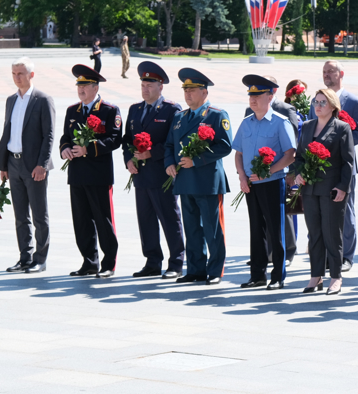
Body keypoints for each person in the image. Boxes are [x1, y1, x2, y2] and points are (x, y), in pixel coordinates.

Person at [164, 68, 232, 285]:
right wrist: (169, 164)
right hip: (185, 180)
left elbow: (225, 146)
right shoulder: (179, 117)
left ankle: (214, 270)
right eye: (185, 90)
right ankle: (195, 269)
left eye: (192, 90)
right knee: (192, 228)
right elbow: (169, 145)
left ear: (204, 92)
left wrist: (197, 160)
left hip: (207, 181)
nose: (187, 94)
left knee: (212, 228)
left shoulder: (216, 114)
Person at [122, 62, 185, 279]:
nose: (145, 88)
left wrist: (152, 154)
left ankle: (176, 262)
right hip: (140, 175)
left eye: (150, 84)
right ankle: (152, 261)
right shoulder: (135, 109)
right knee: (146, 220)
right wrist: (128, 160)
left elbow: (175, 142)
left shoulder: (171, 109)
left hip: (162, 174)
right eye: (143, 84)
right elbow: (127, 140)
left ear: (161, 87)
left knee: (169, 218)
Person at [235, 75, 297, 290]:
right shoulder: (246, 122)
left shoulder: (281, 122)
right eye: (250, 95)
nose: (252, 99)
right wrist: (242, 176)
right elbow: (239, 154)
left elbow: (290, 154)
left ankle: (278, 276)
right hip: (250, 184)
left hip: (272, 182)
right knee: (256, 229)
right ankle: (257, 275)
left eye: (258, 95)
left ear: (270, 96)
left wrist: (269, 171)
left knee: (274, 229)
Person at [0, 58, 55, 274]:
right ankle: (24, 257)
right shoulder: (11, 100)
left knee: (39, 215)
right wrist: (4, 164)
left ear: (31, 75)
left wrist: (42, 165)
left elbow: (48, 136)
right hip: (13, 163)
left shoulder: (42, 100)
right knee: (20, 215)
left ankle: (40, 259)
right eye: (13, 73)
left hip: (34, 167)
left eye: (20, 73)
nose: (17, 78)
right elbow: (7, 132)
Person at [60, 65, 122, 278]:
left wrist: (90, 148)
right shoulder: (72, 111)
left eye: (85, 86)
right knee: (82, 220)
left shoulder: (109, 110)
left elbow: (115, 139)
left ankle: (108, 264)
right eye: (79, 85)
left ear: (96, 87)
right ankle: (89, 262)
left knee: (103, 220)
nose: (81, 90)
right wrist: (65, 149)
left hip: (98, 175)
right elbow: (65, 137)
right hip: (77, 174)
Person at [293, 89, 355, 295]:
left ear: (333, 106)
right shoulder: (308, 126)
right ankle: (316, 276)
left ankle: (336, 276)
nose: (318, 106)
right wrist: (299, 174)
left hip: (332, 190)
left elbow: (348, 162)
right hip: (310, 189)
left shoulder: (342, 128)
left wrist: (343, 187)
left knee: (332, 234)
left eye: (323, 102)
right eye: (315, 102)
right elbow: (300, 157)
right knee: (315, 234)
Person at [308, 60, 358, 272]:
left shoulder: (353, 101)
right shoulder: (315, 99)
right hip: (318, 168)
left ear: (341, 73)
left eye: (331, 71)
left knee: (344, 212)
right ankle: (322, 255)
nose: (327, 75)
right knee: (319, 213)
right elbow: (309, 130)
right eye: (324, 71)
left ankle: (345, 255)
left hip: (342, 166)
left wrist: (340, 143)